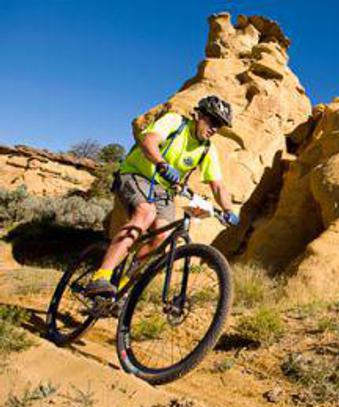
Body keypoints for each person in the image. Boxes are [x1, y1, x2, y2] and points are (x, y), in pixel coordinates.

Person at [83, 95, 240, 298]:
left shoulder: (207, 149)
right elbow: (149, 141)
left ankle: (119, 289)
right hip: (136, 174)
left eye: (219, 126)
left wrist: (228, 210)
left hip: (163, 191)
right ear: (198, 114)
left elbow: (217, 185)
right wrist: (161, 163)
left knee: (162, 237)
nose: (215, 128)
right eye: (213, 121)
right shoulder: (176, 122)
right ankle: (100, 277)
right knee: (145, 212)